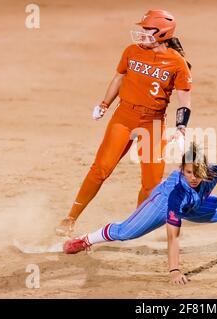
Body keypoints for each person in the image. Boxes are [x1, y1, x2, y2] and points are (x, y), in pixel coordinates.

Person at [63, 143, 217, 285]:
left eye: (197, 172)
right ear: (181, 170)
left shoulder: (215, 171)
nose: (193, 177)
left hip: (196, 205)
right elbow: (173, 237)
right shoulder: (175, 195)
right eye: (188, 172)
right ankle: (85, 240)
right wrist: (175, 270)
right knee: (126, 232)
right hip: (163, 204)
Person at [56, 9, 193, 236]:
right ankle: (70, 219)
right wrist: (104, 103)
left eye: (147, 30)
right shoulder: (132, 51)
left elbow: (184, 101)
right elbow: (119, 78)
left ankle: (135, 226)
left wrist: (181, 128)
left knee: (151, 183)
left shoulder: (178, 63)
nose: (142, 34)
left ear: (163, 33)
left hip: (153, 123)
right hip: (124, 117)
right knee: (100, 169)